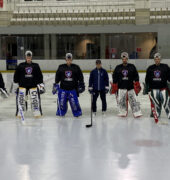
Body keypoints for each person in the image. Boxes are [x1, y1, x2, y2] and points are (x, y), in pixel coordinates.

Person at [13, 50, 45, 118]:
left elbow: (40, 76)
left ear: (31, 57)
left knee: (35, 100)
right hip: (22, 86)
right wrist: (16, 84)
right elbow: (16, 76)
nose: (28, 58)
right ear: (25, 57)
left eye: (30, 56)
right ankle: (20, 113)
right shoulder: (20, 66)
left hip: (33, 86)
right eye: (27, 56)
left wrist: (41, 86)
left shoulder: (36, 66)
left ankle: (37, 113)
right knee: (21, 100)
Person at [52, 53, 85, 117]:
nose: (69, 61)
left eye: (70, 59)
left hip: (72, 89)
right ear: (65, 59)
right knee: (61, 103)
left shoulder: (76, 67)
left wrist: (81, 85)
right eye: (67, 59)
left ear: (72, 59)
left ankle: (77, 113)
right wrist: (56, 84)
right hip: (63, 89)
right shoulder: (61, 67)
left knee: (74, 103)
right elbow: (57, 77)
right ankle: (61, 112)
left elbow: (80, 77)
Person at [111, 52, 142, 118]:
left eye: (125, 58)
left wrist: (137, 82)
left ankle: (137, 112)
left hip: (131, 88)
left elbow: (136, 75)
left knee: (134, 101)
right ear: (122, 59)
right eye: (123, 59)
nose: (124, 60)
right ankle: (122, 112)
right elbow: (115, 76)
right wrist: (114, 84)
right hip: (121, 88)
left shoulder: (132, 66)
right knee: (122, 102)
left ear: (127, 58)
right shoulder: (118, 67)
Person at [143, 52, 170, 119]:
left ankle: (169, 113)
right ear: (154, 59)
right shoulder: (150, 68)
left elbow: (169, 77)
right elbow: (147, 79)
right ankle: (156, 113)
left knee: (166, 102)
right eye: (155, 59)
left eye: (158, 59)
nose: (157, 60)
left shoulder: (165, 67)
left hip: (163, 89)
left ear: (160, 59)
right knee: (155, 103)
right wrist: (147, 88)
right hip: (153, 89)